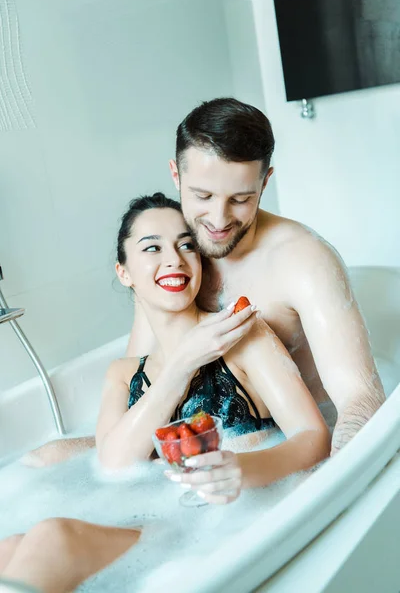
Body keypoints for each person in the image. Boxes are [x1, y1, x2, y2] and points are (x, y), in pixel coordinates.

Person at [0, 193, 330, 593]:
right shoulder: (123, 374)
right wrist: (182, 363)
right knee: (11, 546)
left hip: (201, 530)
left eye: (186, 244)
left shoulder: (241, 333)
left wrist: (243, 471)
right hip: (138, 520)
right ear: (124, 272)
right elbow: (114, 464)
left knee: (51, 537)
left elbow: (313, 436)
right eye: (152, 247)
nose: (174, 259)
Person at [127, 98, 385, 454]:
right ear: (176, 175)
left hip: (298, 447)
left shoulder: (302, 260)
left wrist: (331, 483)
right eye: (202, 195)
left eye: (240, 199)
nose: (218, 219)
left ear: (265, 182)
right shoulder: (172, 263)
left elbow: (360, 400)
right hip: (204, 447)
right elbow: (137, 383)